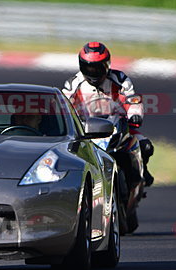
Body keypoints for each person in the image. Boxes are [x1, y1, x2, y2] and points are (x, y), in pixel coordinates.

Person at [63, 42, 154, 187]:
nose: (93, 72)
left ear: (107, 65)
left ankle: (143, 173)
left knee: (145, 146)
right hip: (87, 129)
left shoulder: (120, 78)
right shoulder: (74, 83)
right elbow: (64, 104)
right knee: (69, 152)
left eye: (97, 68)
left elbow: (133, 99)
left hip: (118, 124)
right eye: (89, 67)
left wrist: (135, 114)